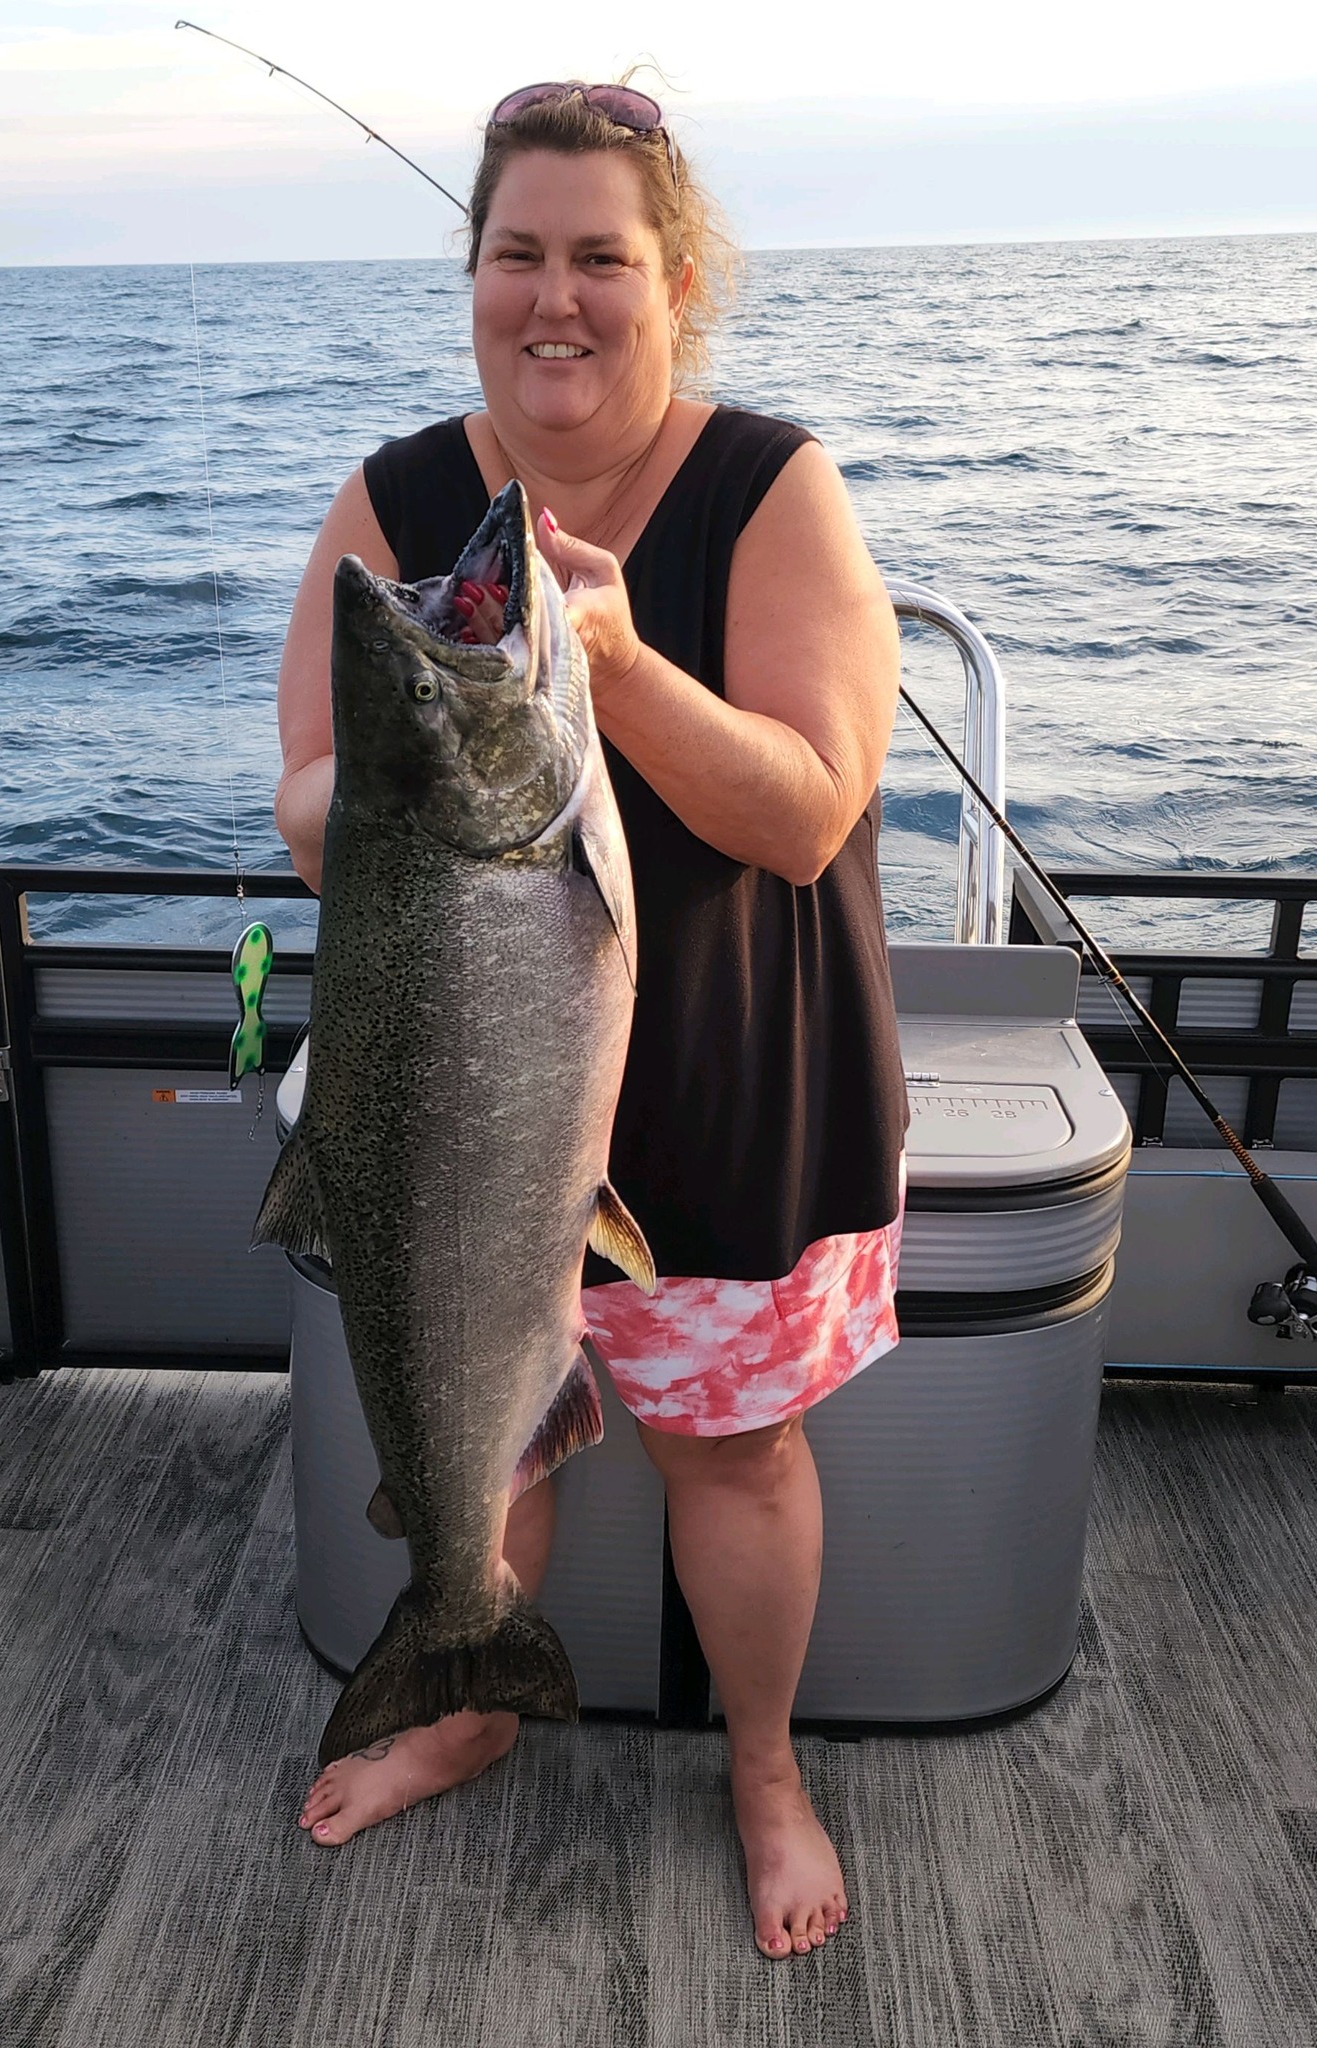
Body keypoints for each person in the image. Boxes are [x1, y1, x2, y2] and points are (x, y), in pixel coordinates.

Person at [274, 82, 907, 1962]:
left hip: (731, 1079)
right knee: (492, 1442)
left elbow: (810, 810)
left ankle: (765, 1769)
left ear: (675, 282)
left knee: (738, 1456)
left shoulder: (772, 486)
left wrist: (611, 668)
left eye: (600, 259)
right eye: (517, 253)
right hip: (453, 1101)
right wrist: (426, 752)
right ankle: (470, 1690)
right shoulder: (397, 499)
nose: (555, 297)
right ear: (472, 272)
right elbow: (303, 798)